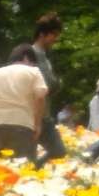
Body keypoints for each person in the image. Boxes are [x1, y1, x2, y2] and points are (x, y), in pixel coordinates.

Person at [0, 44, 47, 158]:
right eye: (33, 62)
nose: (33, 65)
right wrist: (38, 125)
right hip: (23, 124)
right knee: (22, 166)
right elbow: (40, 97)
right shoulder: (34, 71)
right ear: (26, 58)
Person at [29, 13, 66, 160]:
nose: (56, 39)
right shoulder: (33, 54)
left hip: (43, 113)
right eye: (54, 34)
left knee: (56, 152)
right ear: (42, 34)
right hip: (36, 114)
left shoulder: (43, 56)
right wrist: (58, 83)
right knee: (58, 151)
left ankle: (36, 167)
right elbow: (47, 83)